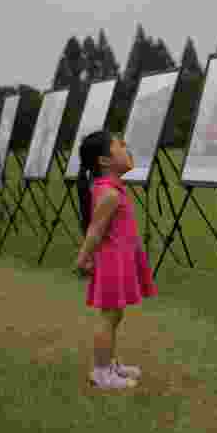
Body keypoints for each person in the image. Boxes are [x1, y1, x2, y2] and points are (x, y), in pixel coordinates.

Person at [75, 130, 158, 390]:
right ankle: (101, 373)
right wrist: (83, 259)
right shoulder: (109, 194)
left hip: (119, 261)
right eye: (120, 145)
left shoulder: (113, 190)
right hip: (112, 263)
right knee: (109, 318)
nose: (126, 147)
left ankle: (109, 364)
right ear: (104, 161)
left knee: (115, 315)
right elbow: (95, 230)